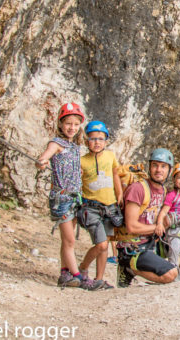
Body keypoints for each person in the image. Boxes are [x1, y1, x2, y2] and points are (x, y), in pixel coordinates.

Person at [35, 103, 101, 290]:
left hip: (73, 198)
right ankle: (78, 276)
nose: (72, 128)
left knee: (67, 240)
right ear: (60, 124)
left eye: (75, 124)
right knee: (70, 240)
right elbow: (44, 157)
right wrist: (41, 162)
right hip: (61, 199)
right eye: (68, 123)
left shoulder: (74, 146)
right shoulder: (56, 143)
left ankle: (65, 273)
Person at [114, 148, 179, 287]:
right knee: (171, 274)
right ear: (149, 167)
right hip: (133, 247)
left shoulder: (163, 191)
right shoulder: (138, 189)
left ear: (169, 170)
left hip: (150, 243)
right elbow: (131, 226)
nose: (158, 170)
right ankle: (128, 269)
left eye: (163, 166)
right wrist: (158, 227)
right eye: (155, 165)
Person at [76, 120, 122, 289]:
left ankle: (99, 279)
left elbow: (115, 174)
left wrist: (120, 194)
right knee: (101, 244)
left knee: (105, 244)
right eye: (93, 138)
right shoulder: (82, 161)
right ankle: (82, 268)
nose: (96, 142)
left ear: (106, 141)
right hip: (91, 207)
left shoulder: (110, 157)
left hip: (110, 207)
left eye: (100, 139)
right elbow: (77, 183)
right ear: (86, 140)